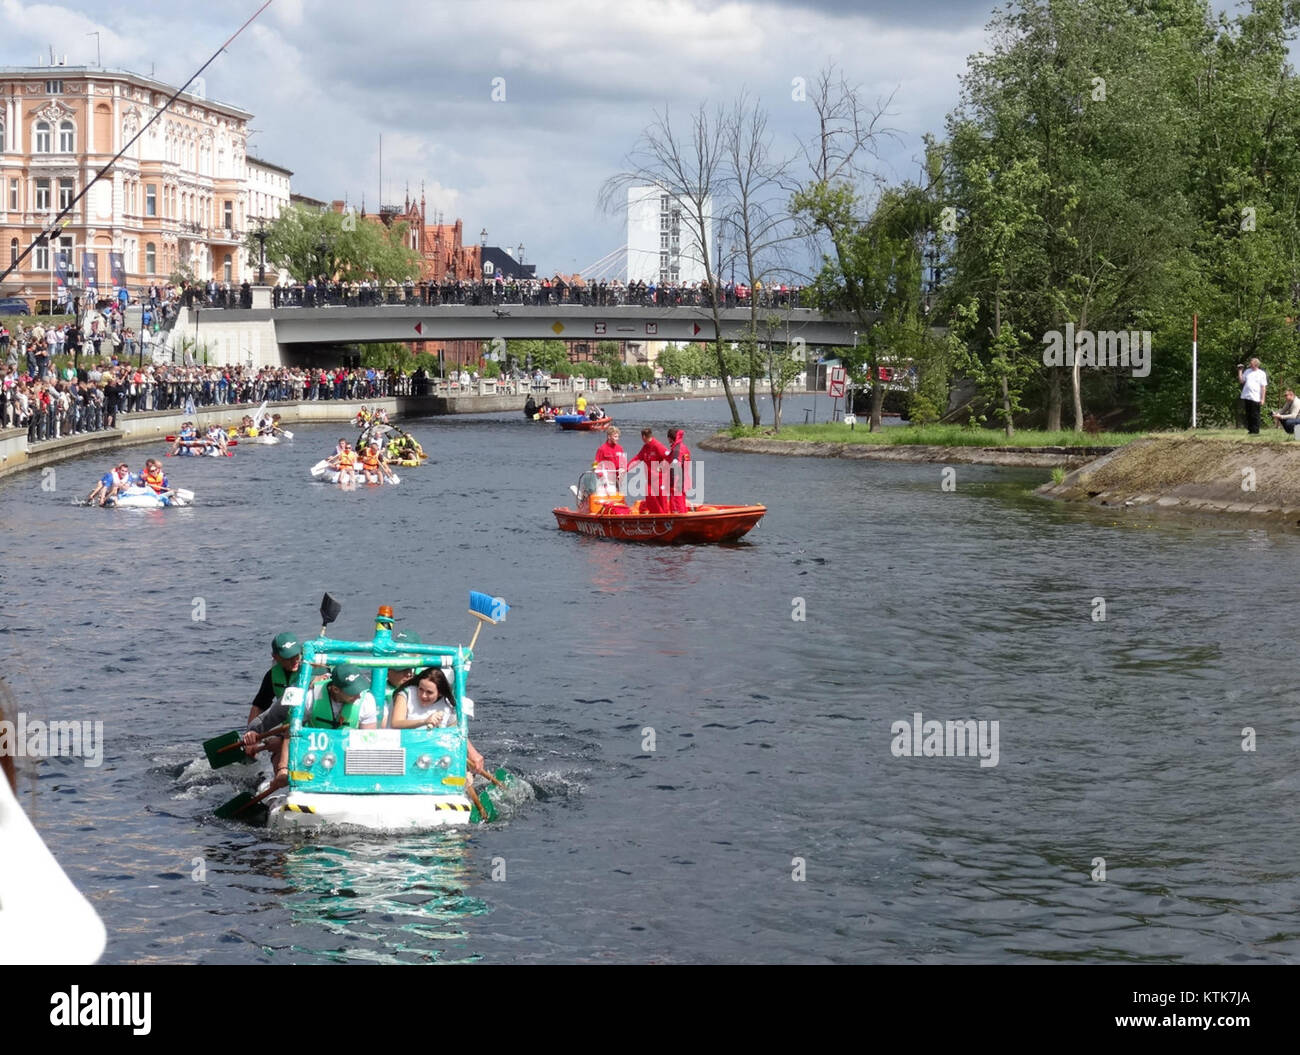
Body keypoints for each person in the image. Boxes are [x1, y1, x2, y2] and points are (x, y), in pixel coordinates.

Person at [240, 632, 307, 791]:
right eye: (288, 658)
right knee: (278, 751)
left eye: (296, 655)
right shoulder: (272, 675)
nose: (294, 660)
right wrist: (252, 738)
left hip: (310, 726)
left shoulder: (315, 671)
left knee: (280, 743)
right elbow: (259, 706)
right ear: (275, 657)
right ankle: (280, 784)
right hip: (286, 726)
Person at [387, 666, 485, 773]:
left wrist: (472, 753)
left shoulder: (447, 705)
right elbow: (396, 723)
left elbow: (456, 730)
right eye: (420, 689)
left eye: (429, 692)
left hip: (431, 755)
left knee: (466, 775)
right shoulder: (406, 694)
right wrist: (425, 721)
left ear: (440, 693)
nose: (423, 695)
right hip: (402, 751)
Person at [305, 663, 379, 730]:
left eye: (359, 689)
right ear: (335, 689)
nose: (359, 696)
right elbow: (294, 731)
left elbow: (368, 739)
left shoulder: (367, 700)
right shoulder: (311, 697)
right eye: (352, 692)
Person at [628, 427, 670, 513]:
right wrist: (626, 468)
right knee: (650, 497)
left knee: (661, 500)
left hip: (660, 479)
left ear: (643, 437)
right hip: (650, 480)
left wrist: (662, 466)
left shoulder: (657, 446)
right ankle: (655, 515)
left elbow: (669, 457)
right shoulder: (645, 447)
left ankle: (664, 517)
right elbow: (637, 458)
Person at [593, 426, 626, 495]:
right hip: (605, 480)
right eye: (615, 437)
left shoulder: (620, 448)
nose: (617, 439)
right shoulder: (602, 449)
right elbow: (595, 465)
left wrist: (622, 470)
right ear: (609, 437)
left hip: (617, 480)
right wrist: (601, 475)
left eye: (618, 437)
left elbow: (623, 463)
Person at [1239, 358, 1268, 435]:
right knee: (1248, 414)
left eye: (1251, 363)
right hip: (1247, 395)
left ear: (1256, 364)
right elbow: (1242, 381)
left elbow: (1263, 387)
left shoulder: (1261, 373)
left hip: (1255, 396)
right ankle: (1250, 430)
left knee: (1255, 414)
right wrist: (1240, 371)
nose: (1250, 364)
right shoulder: (1247, 371)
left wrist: (1262, 399)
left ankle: (1255, 430)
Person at [667, 428, 692, 513]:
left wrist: (672, 482)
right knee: (681, 500)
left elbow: (675, 465)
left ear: (670, 438)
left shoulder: (676, 449)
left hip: (677, 480)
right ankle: (684, 515)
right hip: (684, 478)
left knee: (676, 503)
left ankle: (679, 519)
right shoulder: (683, 447)